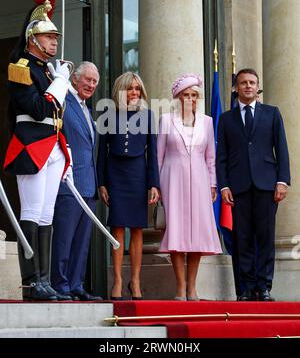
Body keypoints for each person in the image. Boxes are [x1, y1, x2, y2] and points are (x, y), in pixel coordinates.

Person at [3, 0, 72, 301]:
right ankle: (32, 283)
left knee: (47, 215)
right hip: (31, 147)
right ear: (33, 40)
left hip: (53, 146)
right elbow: (40, 109)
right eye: (49, 37)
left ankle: (44, 281)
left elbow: (56, 117)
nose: (54, 41)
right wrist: (60, 83)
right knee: (31, 212)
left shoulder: (46, 70)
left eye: (55, 37)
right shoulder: (21, 68)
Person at [216, 68, 290, 301]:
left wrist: (282, 181)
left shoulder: (272, 113)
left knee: (266, 238)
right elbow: (222, 157)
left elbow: (282, 149)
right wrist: (224, 186)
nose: (248, 86)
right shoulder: (226, 119)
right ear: (236, 88)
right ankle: (246, 288)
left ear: (257, 87)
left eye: (252, 82)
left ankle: (264, 286)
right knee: (242, 239)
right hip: (238, 188)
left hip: (267, 185)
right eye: (243, 83)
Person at [157, 73, 222, 301]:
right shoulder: (166, 120)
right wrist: (156, 187)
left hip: (200, 181)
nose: (190, 99)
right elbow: (159, 156)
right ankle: (180, 287)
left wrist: (213, 184)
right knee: (176, 233)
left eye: (194, 95)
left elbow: (211, 158)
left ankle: (192, 287)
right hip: (172, 180)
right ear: (178, 97)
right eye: (186, 95)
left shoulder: (207, 121)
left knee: (197, 235)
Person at [97, 72, 160, 300]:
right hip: (115, 175)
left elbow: (152, 152)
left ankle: (135, 280)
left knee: (136, 228)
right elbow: (101, 153)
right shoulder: (108, 114)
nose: (134, 93)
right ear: (120, 91)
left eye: (137, 89)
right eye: (129, 89)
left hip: (137, 175)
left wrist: (154, 183)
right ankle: (118, 280)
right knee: (116, 227)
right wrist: (101, 182)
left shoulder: (148, 116)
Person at [51, 62, 102, 301]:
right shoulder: (64, 102)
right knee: (64, 237)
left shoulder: (86, 109)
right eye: (87, 80)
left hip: (88, 187)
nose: (91, 85)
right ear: (74, 80)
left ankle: (75, 284)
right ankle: (60, 285)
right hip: (68, 183)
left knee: (82, 242)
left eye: (94, 82)